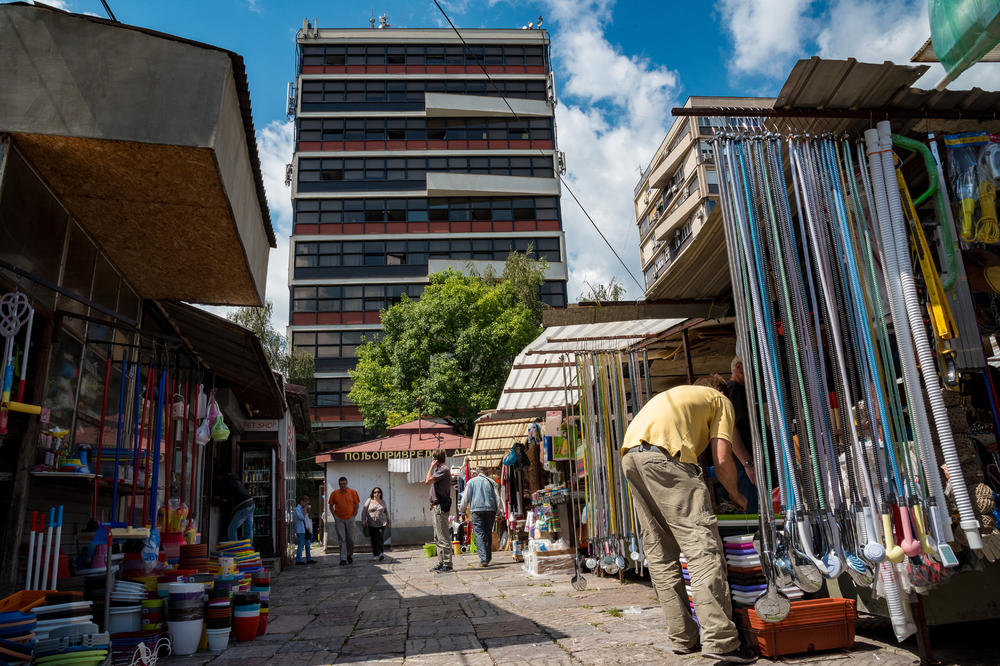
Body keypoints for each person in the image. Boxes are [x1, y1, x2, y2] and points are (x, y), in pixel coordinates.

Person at [620, 375, 757, 664]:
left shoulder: (678, 395)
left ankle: (683, 638)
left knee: (661, 552)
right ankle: (722, 641)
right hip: (665, 458)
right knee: (702, 549)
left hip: (631, 457)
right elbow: (722, 457)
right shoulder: (720, 399)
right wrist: (736, 494)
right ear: (718, 389)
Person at [723, 356, 760, 513]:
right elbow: (731, 429)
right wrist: (748, 463)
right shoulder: (734, 389)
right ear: (739, 367)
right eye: (752, 367)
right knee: (753, 515)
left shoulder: (741, 390)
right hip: (744, 469)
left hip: (746, 467)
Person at [458, 467, 500, 567]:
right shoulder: (492, 482)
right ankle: (487, 557)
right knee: (487, 532)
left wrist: (462, 511)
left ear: (476, 473)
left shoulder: (471, 482)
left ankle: (484, 559)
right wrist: (499, 512)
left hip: (476, 510)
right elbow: (497, 498)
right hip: (490, 510)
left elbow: (465, 498)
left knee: (479, 533)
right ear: (487, 473)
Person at [424, 449, 453, 573]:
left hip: (441, 506)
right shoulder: (439, 470)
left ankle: (447, 563)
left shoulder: (443, 470)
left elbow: (427, 481)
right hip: (435, 506)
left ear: (436, 459)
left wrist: (430, 467)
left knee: (443, 536)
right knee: (437, 536)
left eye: (433, 459)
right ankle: (441, 562)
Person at [328, 476, 360, 565]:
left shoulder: (353, 492)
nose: (343, 486)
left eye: (344, 484)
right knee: (342, 539)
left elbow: (357, 503)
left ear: (347, 484)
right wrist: (335, 517)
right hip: (339, 519)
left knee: (351, 539)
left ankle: (349, 555)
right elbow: (330, 506)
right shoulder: (334, 493)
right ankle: (343, 558)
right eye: (341, 484)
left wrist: (354, 514)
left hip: (350, 518)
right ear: (339, 484)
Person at [217, 472, 255, 543]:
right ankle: (249, 548)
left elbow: (228, 497)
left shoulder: (227, 482)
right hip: (251, 503)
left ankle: (235, 550)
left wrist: (221, 498)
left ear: (221, 476)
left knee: (231, 529)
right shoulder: (236, 480)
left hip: (244, 505)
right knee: (248, 528)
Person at [362, 487, 389, 561]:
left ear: (380, 493)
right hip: (371, 524)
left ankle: (381, 554)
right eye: (375, 492)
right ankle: (375, 554)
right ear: (373, 493)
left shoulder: (383, 502)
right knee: (374, 539)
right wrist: (363, 520)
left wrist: (388, 522)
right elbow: (364, 511)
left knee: (380, 538)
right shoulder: (369, 500)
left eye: (378, 492)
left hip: (381, 523)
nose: (376, 493)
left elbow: (386, 512)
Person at [294, 495, 317, 565]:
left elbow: (306, 519)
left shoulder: (304, 509)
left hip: (306, 529)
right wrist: (304, 509)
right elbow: (301, 518)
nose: (307, 504)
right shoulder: (297, 509)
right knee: (301, 545)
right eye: (306, 502)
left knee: (308, 545)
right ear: (302, 501)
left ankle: (309, 558)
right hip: (300, 530)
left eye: (307, 502)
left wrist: (309, 528)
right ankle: (298, 560)